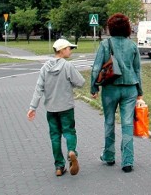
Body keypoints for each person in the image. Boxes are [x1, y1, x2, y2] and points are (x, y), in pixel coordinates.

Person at [90, 13, 143, 173]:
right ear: (127, 28)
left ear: (111, 28)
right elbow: (137, 70)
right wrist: (139, 91)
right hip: (130, 89)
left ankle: (109, 156)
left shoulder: (105, 44)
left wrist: (94, 87)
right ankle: (127, 161)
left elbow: (96, 68)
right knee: (127, 124)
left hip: (110, 89)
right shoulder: (132, 46)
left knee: (109, 122)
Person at [27, 38, 85, 177]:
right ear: (62, 50)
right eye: (69, 48)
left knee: (55, 136)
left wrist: (32, 107)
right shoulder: (67, 66)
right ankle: (72, 152)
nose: (70, 51)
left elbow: (38, 88)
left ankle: (59, 166)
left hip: (51, 109)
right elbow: (81, 82)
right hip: (66, 108)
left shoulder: (45, 68)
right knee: (70, 132)